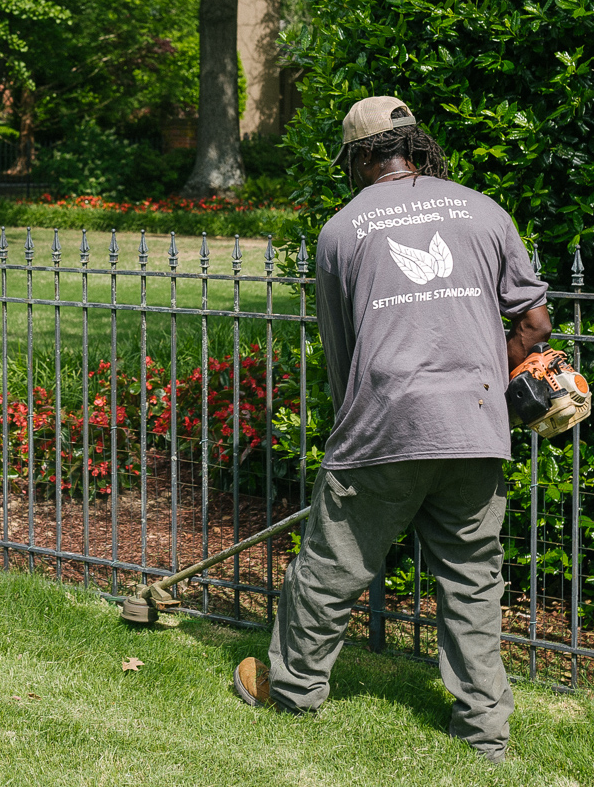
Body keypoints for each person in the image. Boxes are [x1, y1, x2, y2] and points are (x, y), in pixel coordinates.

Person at [231, 95, 551, 766]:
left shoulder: (342, 232)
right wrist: (495, 378)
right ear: (416, 145)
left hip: (383, 427)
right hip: (475, 426)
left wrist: (354, 423)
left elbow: (343, 353)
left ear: (357, 156)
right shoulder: (483, 210)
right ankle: (486, 733)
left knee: (331, 569)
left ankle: (291, 692)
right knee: (471, 579)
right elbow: (535, 323)